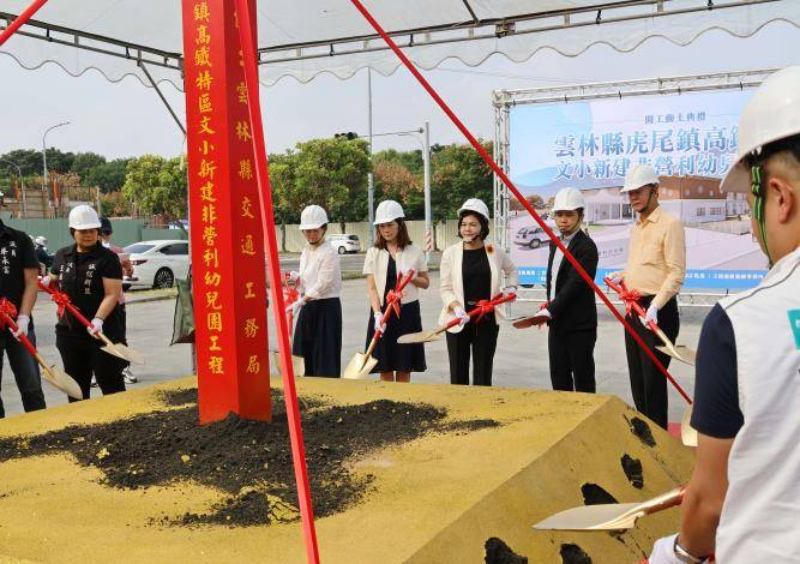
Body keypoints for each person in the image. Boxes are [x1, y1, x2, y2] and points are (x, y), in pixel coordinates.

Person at [647, 66, 800, 564]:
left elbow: (710, 501)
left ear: (780, 198)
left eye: (752, 199)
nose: (754, 232)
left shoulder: (740, 323)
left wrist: (678, 554)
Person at [611, 163, 686, 429]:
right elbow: (643, 265)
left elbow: (676, 273)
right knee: (638, 381)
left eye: (638, 191)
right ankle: (645, 438)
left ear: (655, 190)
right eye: (629, 193)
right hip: (634, 310)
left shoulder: (670, 224)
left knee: (653, 382)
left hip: (657, 313)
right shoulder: (637, 227)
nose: (633, 198)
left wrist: (655, 306)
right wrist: (623, 275)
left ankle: (659, 442)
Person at [42, 205, 127, 400]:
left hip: (101, 332)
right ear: (73, 232)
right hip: (70, 333)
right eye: (82, 231)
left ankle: (121, 426)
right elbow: (56, 274)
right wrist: (48, 279)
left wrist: (98, 319)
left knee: (111, 384)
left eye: (92, 230)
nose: (88, 235)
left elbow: (112, 294)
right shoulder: (63, 255)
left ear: (98, 231)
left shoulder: (108, 258)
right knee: (76, 389)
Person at [439, 198, 517, 386]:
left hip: (487, 320)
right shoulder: (450, 253)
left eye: (473, 224)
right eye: (464, 224)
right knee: (458, 373)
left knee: (483, 372)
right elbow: (445, 288)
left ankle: (481, 411)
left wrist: (511, 287)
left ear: (483, 227)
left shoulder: (493, 250)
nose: (467, 229)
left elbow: (511, 270)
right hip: (459, 320)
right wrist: (456, 308)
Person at [532, 188, 599, 393]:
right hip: (557, 323)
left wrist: (551, 308)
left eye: (569, 215)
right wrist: (550, 307)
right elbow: (554, 281)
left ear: (581, 216)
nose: (563, 220)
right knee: (559, 378)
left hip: (579, 325)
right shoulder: (556, 243)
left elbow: (575, 285)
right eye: (559, 215)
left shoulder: (587, 247)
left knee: (583, 379)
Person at [363, 200, 429, 382]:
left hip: (407, 313)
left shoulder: (414, 251)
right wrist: (377, 314)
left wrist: (412, 276)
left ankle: (403, 401)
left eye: (390, 225)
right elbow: (372, 288)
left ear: (400, 224)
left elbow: (425, 283)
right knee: (385, 364)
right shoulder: (373, 253)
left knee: (404, 363)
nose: (386, 230)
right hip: (382, 313)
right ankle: (388, 401)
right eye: (382, 226)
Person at [285, 205, 342, 377]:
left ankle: (328, 395)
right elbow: (306, 280)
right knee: (303, 354)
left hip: (326, 308)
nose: (311, 235)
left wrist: (301, 301)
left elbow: (323, 283)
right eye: (307, 231)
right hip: (308, 307)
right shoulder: (306, 251)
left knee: (324, 357)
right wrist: (295, 279)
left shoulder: (330, 252)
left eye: (315, 231)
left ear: (324, 228)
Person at [0, 219, 46, 418]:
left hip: (19, 327)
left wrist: (24, 317)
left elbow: (31, 283)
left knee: (31, 385)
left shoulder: (19, 239)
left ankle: (41, 432)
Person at [99, 216, 137, 385]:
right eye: (101, 233)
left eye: (106, 233)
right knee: (97, 339)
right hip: (95, 303)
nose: (104, 236)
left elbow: (128, 273)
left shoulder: (116, 251)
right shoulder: (88, 253)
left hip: (117, 302)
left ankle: (124, 368)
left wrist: (128, 268)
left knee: (119, 336)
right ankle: (98, 371)